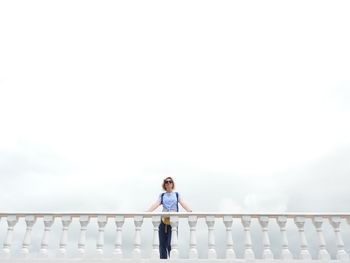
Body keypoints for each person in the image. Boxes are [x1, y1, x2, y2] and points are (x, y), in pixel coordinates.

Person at [146, 176, 192, 259]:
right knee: (162, 243)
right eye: (166, 182)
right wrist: (147, 212)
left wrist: (189, 211)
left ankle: (172, 259)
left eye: (170, 182)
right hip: (163, 220)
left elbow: (182, 202)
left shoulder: (176, 195)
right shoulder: (162, 195)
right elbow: (156, 204)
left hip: (173, 221)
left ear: (172, 184)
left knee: (170, 243)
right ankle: (163, 260)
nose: (168, 183)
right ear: (164, 185)